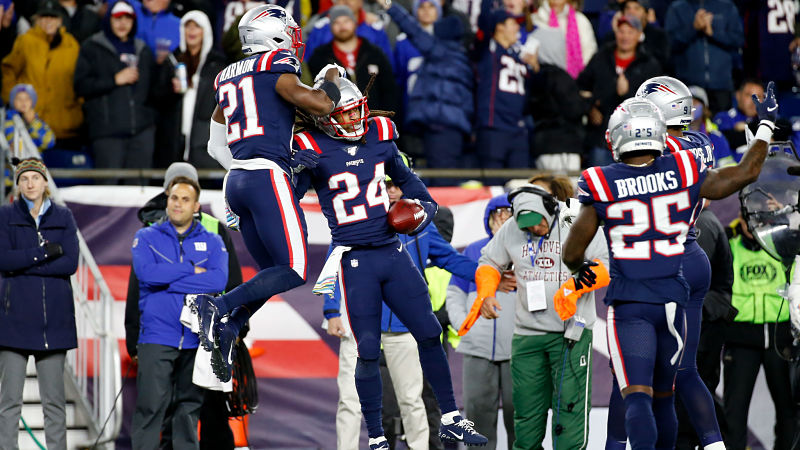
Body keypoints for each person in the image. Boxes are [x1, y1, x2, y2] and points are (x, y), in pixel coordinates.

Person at [563, 84, 777, 449]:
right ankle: (712, 443)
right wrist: (766, 127)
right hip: (676, 287)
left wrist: (579, 266)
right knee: (672, 387)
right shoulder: (687, 161)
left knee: (635, 394)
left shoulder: (602, 180)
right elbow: (743, 173)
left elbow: (572, 253)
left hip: (632, 299)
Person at [292, 77, 487, 449]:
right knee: (366, 349)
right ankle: (378, 438)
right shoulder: (312, 147)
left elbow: (407, 179)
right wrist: (296, 173)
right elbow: (290, 202)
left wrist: (426, 209)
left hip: (390, 251)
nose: (355, 120)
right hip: (354, 260)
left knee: (430, 332)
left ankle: (449, 417)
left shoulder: (379, 134)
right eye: (346, 115)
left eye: (357, 111)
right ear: (326, 117)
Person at [199, 4, 341, 383]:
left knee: (272, 272)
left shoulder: (226, 76)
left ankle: (230, 328)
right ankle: (219, 305)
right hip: (265, 178)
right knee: (294, 270)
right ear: (272, 34)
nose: (295, 37)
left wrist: (244, 164)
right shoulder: (276, 65)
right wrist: (328, 78)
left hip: (238, 181)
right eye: (289, 30)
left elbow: (214, 144)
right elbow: (322, 104)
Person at [604, 75, 726, 450]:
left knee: (629, 377)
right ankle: (715, 444)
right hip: (692, 252)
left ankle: (614, 445)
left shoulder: (661, 146)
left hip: (657, 259)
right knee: (683, 371)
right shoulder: (700, 142)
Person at [324, 168, 478, 450]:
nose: (391, 190)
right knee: (350, 401)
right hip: (358, 326)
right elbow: (331, 270)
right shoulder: (353, 221)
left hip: (402, 328)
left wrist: (485, 275)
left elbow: (450, 259)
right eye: (384, 185)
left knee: (411, 399)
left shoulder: (420, 224)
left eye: (396, 184)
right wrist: (331, 312)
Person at [462, 185, 607, 450]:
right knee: (526, 415)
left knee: (570, 413)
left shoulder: (578, 219)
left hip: (570, 335)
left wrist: (573, 288)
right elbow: (489, 262)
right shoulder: (512, 228)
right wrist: (487, 292)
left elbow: (604, 265)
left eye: (538, 223)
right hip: (527, 335)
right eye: (526, 225)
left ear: (550, 210)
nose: (533, 229)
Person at [130, 176, 229, 450]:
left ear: (196, 206)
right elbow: (147, 275)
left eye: (185, 199)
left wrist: (168, 280)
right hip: (157, 335)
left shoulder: (213, 240)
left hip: (197, 337)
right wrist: (190, 269)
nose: (178, 204)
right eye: (174, 198)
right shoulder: (146, 237)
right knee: (151, 407)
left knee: (188, 410)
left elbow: (218, 281)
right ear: (167, 200)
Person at [0, 158, 79, 450]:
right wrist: (44, 253)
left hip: (53, 324)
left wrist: (25, 264)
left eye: (35, 178)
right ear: (18, 185)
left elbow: (70, 263)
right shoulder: (5, 215)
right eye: (24, 179)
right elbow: (3, 260)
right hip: (13, 324)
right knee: (8, 404)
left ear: (45, 182)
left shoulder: (64, 216)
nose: (30, 183)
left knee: (54, 406)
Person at [445, 194, 518, 449]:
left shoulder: (527, 252)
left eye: (507, 214)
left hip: (518, 350)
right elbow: (454, 293)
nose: (502, 219)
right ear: (488, 219)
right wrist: (464, 325)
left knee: (520, 419)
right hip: (477, 349)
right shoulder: (475, 250)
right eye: (496, 214)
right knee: (477, 419)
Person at [722, 214, 797, 450]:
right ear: (742, 223)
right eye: (752, 222)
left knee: (789, 409)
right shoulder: (729, 246)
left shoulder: (783, 245)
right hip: (741, 338)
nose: (757, 227)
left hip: (780, 337)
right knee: (734, 411)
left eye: (763, 223)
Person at [383, 0, 472, 182]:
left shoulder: (441, 51)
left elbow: (412, 30)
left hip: (442, 126)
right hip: (451, 126)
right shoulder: (459, 56)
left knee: (443, 178)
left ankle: (441, 210)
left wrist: (389, 6)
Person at [675, 207, 735, 449]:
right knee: (695, 385)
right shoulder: (697, 222)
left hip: (705, 319)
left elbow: (690, 277)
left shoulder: (703, 226)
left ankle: (696, 442)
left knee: (694, 384)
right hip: (704, 316)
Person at [74, 1, 156, 175]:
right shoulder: (92, 47)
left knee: (138, 194)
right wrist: (114, 80)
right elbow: (81, 86)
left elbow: (153, 91)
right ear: (108, 20)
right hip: (107, 134)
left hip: (141, 134)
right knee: (107, 192)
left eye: (127, 18)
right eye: (117, 18)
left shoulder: (143, 50)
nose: (122, 23)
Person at [576, 14, 661, 167]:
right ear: (616, 33)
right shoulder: (601, 58)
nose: (625, 37)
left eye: (630, 32)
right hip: (602, 138)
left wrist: (627, 93)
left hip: (635, 140)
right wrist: (590, 108)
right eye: (622, 31)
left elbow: (655, 102)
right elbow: (580, 87)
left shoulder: (649, 64)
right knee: (601, 186)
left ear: (639, 35)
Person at [1, 0, 83, 145]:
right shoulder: (26, 41)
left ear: (60, 20)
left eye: (53, 17)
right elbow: (9, 70)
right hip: (31, 124)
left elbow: (79, 79)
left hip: (65, 124)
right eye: (44, 17)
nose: (48, 21)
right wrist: (14, 100)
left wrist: (77, 109)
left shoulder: (72, 45)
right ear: (37, 19)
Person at [153, 10, 226, 169]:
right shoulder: (172, 61)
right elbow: (157, 98)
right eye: (188, 26)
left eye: (196, 26)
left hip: (204, 142)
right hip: (174, 140)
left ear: (205, 31)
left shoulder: (217, 64)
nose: (191, 31)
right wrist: (172, 90)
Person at [307, 5, 397, 113]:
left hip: (373, 121)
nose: (342, 26)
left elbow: (390, 91)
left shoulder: (374, 53)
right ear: (330, 27)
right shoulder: (319, 57)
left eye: (346, 21)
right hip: (338, 122)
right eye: (336, 22)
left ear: (355, 23)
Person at [474, 8, 531, 176]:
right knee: (493, 184)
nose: (517, 29)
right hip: (494, 127)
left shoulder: (520, 57)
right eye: (512, 24)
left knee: (520, 185)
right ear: (499, 27)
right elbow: (484, 21)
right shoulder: (488, 50)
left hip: (518, 129)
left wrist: (534, 68)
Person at [664, 0, 743, 112]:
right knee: (690, 127)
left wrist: (713, 33)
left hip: (721, 85)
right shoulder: (677, 8)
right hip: (689, 85)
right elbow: (669, 43)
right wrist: (694, 28)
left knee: (722, 126)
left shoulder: (727, 6)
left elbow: (738, 40)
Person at [303, 0, 393, 66]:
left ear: (361, 2)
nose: (346, 1)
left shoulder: (375, 28)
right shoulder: (320, 28)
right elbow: (308, 67)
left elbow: (389, 68)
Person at [529, 0, 597, 79]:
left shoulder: (581, 21)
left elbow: (589, 52)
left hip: (578, 80)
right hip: (543, 79)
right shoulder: (535, 20)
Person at [713, 78, 766, 160]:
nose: (753, 101)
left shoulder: (768, 119)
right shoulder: (724, 118)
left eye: (759, 97)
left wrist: (747, 128)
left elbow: (785, 128)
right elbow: (728, 139)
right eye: (749, 95)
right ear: (738, 96)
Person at [687, 85, 735, 167]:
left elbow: (728, 169)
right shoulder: (674, 135)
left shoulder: (716, 137)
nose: (691, 106)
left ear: (705, 109)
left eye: (695, 102)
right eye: (687, 103)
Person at [4, 84, 56, 152]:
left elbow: (50, 142)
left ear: (32, 102)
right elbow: (12, 144)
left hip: (33, 161)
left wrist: (33, 122)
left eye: (27, 98)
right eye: (18, 98)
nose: (23, 102)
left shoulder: (37, 121)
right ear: (12, 101)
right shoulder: (7, 120)